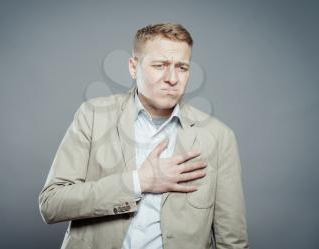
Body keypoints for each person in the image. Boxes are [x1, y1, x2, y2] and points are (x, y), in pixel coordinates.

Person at [39, 23, 249, 249]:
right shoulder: (93, 116)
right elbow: (51, 204)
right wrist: (140, 181)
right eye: (160, 65)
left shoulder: (219, 137)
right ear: (133, 66)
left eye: (182, 67)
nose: (172, 78)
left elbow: (233, 241)